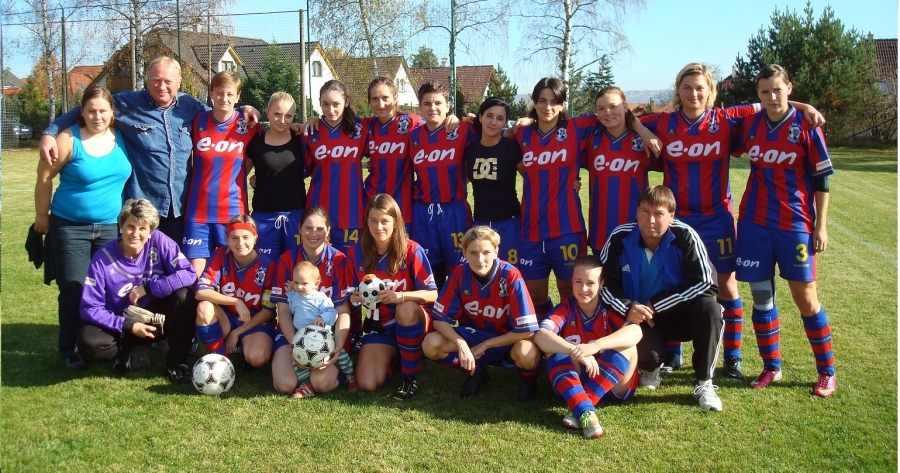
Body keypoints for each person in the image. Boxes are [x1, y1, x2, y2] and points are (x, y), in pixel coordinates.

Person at [639, 63, 824, 377]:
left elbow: (769, 102)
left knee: (726, 286)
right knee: (673, 283)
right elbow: (626, 118)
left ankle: (732, 357)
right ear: (678, 90)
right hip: (677, 220)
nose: (694, 93)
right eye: (687, 87)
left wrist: (803, 106)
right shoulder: (664, 121)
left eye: (700, 87)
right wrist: (644, 132)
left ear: (710, 90)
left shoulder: (726, 119)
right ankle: (673, 353)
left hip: (717, 218)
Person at [39, 56, 259, 245]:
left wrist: (244, 109)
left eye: (168, 82)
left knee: (174, 272)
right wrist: (51, 132)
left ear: (179, 82)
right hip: (142, 209)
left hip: (180, 209)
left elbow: (220, 112)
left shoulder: (189, 106)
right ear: (147, 80)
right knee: (139, 271)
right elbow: (91, 106)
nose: (162, 87)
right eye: (156, 80)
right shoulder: (127, 103)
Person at [734, 64, 836, 397]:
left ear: (789, 88)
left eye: (778, 90)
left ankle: (826, 371)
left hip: (794, 225)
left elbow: (822, 179)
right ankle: (771, 367)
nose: (772, 97)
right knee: (762, 298)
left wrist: (820, 225)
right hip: (754, 223)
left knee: (806, 299)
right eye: (765, 92)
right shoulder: (749, 124)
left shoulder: (806, 126)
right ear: (758, 94)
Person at [599, 185, 724, 412]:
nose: (651, 220)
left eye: (659, 213)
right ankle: (651, 367)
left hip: (679, 314)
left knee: (711, 310)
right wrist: (628, 308)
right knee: (647, 356)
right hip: (641, 318)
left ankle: (704, 382)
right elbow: (604, 284)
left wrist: (658, 303)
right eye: (645, 211)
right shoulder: (620, 236)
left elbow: (707, 283)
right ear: (637, 212)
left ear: (671, 216)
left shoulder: (685, 235)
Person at [33, 86, 132, 370]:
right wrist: (41, 215)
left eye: (103, 111)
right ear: (81, 112)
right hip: (70, 228)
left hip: (111, 228)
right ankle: (69, 348)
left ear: (112, 112)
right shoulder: (68, 138)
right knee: (74, 289)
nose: (97, 117)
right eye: (91, 111)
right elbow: (44, 176)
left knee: (111, 289)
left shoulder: (122, 136)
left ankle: (109, 341)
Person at [78, 199, 197, 382]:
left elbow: (189, 274)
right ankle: (130, 348)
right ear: (120, 226)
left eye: (142, 228)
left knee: (184, 295)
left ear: (151, 231)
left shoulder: (160, 241)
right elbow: (90, 307)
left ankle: (176, 362)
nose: (135, 234)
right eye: (130, 227)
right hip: (121, 320)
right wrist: (128, 325)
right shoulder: (103, 258)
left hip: (155, 317)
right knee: (91, 343)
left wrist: (150, 287)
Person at [423, 226, 541, 401]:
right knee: (431, 344)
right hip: (473, 336)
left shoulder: (510, 275)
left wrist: (486, 345)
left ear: (496, 251)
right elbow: (440, 321)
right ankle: (476, 372)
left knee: (527, 353)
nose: (480, 260)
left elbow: (527, 331)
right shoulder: (459, 274)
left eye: (486, 252)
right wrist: (461, 344)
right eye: (473, 253)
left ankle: (528, 381)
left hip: (507, 340)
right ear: (464, 252)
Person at [535, 254, 641, 439]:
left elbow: (636, 332)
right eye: (578, 282)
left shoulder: (609, 308)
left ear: (601, 284)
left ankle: (580, 406)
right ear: (572, 282)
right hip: (573, 383)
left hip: (612, 385)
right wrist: (575, 350)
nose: (583, 289)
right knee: (553, 349)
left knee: (628, 346)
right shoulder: (566, 308)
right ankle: (586, 412)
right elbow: (541, 335)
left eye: (590, 283)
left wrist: (595, 346)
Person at [346, 194, 438, 400]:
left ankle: (409, 377)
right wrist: (355, 298)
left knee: (405, 308)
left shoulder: (411, 250)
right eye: (373, 220)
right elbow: (349, 292)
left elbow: (433, 293)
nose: (378, 227)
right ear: (366, 221)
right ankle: (397, 357)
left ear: (395, 223)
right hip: (381, 325)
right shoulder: (356, 253)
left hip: (414, 319)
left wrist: (400, 296)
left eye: (384, 221)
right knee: (367, 383)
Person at [184, 71, 262, 274]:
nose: (224, 98)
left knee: (230, 277)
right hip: (198, 212)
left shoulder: (248, 124)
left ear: (238, 96)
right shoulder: (197, 120)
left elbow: (270, 145)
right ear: (211, 93)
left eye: (230, 94)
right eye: (219, 93)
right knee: (196, 279)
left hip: (232, 212)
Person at [270, 206, 353, 398]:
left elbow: (343, 310)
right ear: (299, 229)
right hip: (293, 332)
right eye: (308, 228)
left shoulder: (339, 260)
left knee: (321, 383)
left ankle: (341, 373)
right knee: (285, 385)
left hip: (327, 334)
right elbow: (283, 311)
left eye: (319, 229)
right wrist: (296, 344)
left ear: (328, 230)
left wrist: (338, 345)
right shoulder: (287, 260)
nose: (313, 234)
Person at [407, 81, 476, 289]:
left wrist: (471, 119)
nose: (433, 108)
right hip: (423, 213)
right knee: (428, 272)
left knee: (459, 269)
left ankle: (458, 308)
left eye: (438, 103)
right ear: (420, 107)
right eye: (427, 103)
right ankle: (432, 309)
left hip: (454, 211)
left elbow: (492, 134)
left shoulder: (463, 130)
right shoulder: (412, 136)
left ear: (448, 106)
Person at [194, 215, 276, 370]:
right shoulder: (221, 255)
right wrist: (236, 301)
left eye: (246, 237)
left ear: (255, 238)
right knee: (204, 308)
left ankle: (241, 345)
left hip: (256, 322)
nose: (240, 243)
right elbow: (201, 292)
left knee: (258, 358)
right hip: (228, 317)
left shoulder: (268, 265)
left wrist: (236, 333)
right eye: (234, 238)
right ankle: (221, 359)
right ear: (227, 239)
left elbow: (268, 312)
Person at [584, 86, 655, 254]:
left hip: (637, 230)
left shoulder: (643, 140)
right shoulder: (590, 140)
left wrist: (642, 131)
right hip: (600, 231)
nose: (607, 112)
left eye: (613, 106)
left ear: (625, 106)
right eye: (601, 108)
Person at [304, 80, 367, 257]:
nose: (330, 110)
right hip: (318, 209)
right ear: (319, 103)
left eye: (336, 104)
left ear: (346, 102)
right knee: (318, 264)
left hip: (352, 212)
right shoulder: (311, 131)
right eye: (325, 104)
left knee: (350, 263)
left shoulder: (362, 128)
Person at [246, 91, 307, 258]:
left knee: (296, 265)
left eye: (288, 116)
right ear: (267, 113)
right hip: (264, 217)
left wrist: (313, 120)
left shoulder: (301, 139)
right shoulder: (256, 141)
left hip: (295, 216)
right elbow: (239, 173)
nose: (282, 120)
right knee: (265, 267)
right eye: (277, 114)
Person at [463, 98, 523, 266]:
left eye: (500, 118)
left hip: (509, 222)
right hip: (479, 223)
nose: (493, 122)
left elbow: (533, 177)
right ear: (480, 117)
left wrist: (570, 181)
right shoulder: (470, 150)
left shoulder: (511, 148)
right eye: (489, 116)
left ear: (505, 122)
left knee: (510, 272)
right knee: (481, 270)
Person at [285, 261, 356, 393]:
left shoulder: (320, 298)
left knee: (339, 354)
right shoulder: (295, 296)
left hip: (322, 335)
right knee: (297, 359)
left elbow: (332, 312)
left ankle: (350, 375)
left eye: (304, 283)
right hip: (302, 335)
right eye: (296, 282)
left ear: (316, 284)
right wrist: (289, 292)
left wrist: (322, 318)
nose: (299, 287)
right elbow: (291, 306)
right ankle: (306, 384)